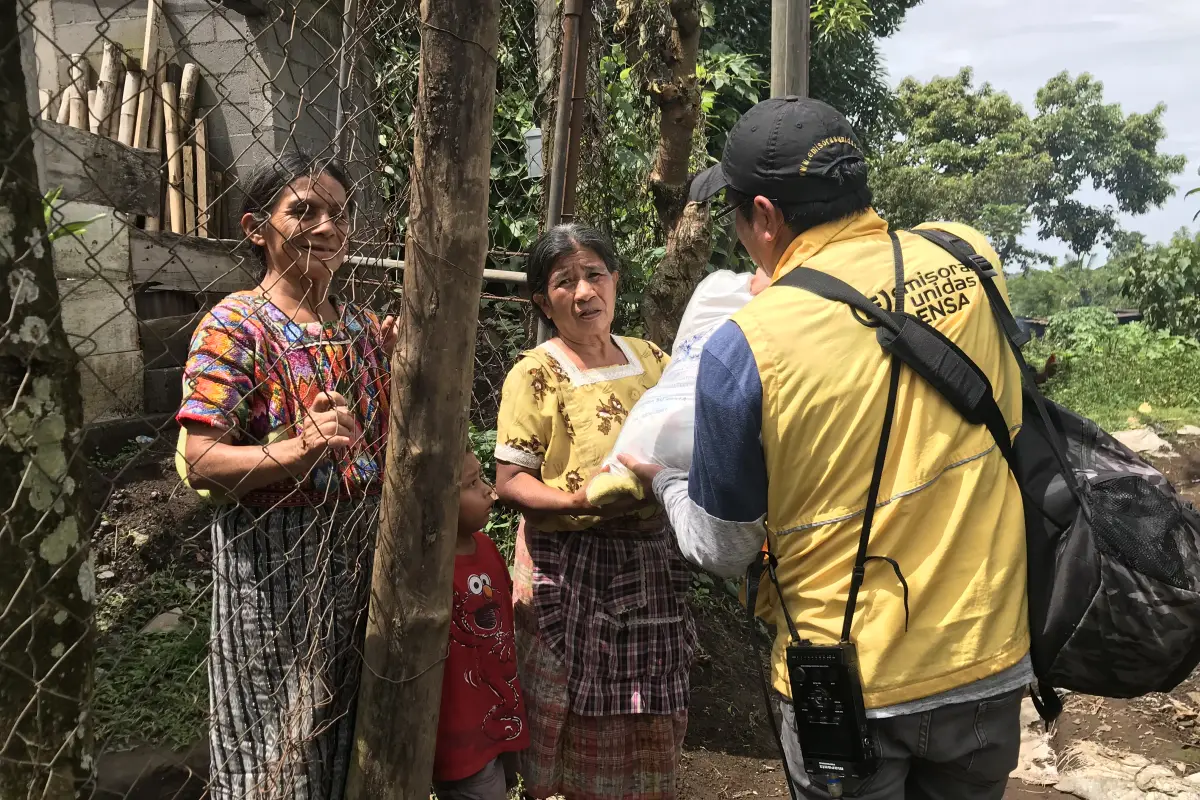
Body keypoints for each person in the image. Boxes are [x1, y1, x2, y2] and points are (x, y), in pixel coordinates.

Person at [621, 97, 1029, 799]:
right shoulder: (969, 254)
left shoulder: (744, 347)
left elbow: (724, 548)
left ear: (766, 217)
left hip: (845, 681)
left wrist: (664, 482)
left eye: (737, 218)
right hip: (985, 657)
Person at [177, 151, 396, 800]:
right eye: (303, 211)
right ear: (256, 228)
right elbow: (199, 459)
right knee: (278, 747)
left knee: (357, 734)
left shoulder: (358, 328)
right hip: (275, 568)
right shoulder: (235, 324)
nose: (326, 226)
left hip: (362, 553)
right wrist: (296, 453)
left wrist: (403, 373)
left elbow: (383, 446)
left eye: (338, 213)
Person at [493, 223, 697, 800]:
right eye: (564, 282)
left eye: (594, 275)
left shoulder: (653, 359)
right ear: (543, 301)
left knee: (649, 702)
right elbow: (511, 482)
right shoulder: (536, 373)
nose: (584, 293)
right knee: (570, 698)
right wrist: (576, 501)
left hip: (652, 561)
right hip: (571, 565)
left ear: (615, 281)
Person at [432, 447, 529, 800]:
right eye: (473, 483)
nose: (491, 490)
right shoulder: (428, 576)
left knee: (503, 785)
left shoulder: (486, 547)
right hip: (460, 739)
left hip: (499, 715)